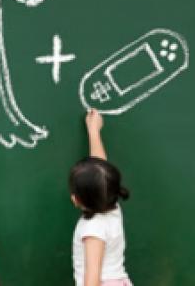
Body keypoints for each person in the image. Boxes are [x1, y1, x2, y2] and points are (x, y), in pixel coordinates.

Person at [70, 109, 131, 286]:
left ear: (76, 201)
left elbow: (92, 278)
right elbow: (100, 171)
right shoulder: (112, 206)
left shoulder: (93, 230)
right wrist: (94, 130)